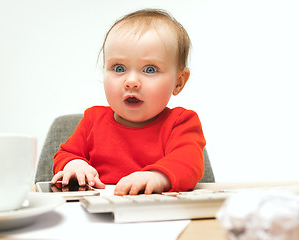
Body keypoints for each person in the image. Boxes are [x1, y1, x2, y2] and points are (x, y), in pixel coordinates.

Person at [51, 8, 206, 196]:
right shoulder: (93, 120)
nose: (131, 82)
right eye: (118, 68)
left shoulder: (181, 122)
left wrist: (157, 177)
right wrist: (74, 165)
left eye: (150, 69)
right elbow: (65, 154)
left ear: (179, 82)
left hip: (156, 214)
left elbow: (189, 163)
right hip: (101, 213)